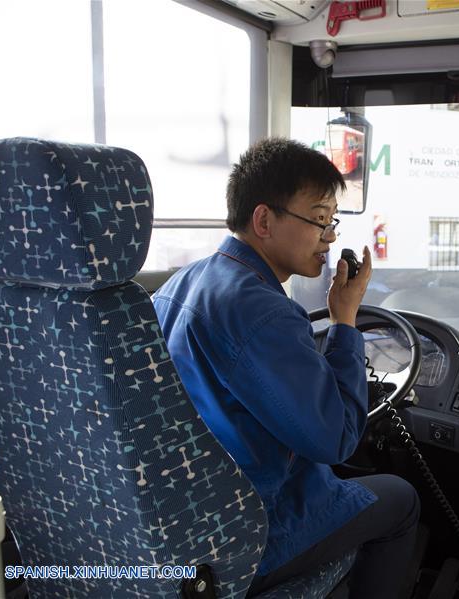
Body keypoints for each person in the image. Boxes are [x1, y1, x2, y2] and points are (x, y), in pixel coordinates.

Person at [152, 138, 420, 598]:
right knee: (401, 500)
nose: (331, 236)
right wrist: (345, 322)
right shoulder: (266, 313)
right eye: (319, 219)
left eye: (331, 221)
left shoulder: (180, 284)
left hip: (193, 517)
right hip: (255, 526)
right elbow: (335, 439)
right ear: (263, 220)